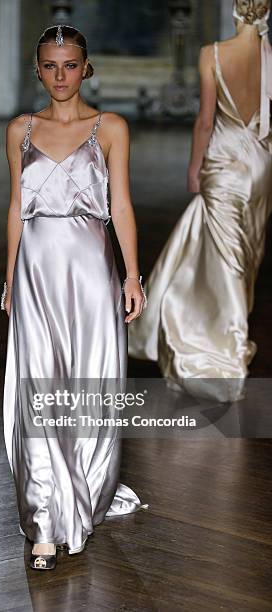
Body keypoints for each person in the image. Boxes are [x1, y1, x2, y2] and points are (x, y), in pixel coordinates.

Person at [2, 25, 148, 571]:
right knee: (39, 387)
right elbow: (16, 207)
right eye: (49, 65)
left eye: (69, 65)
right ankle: (44, 522)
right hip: (35, 272)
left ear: (85, 68)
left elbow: (124, 205)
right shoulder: (19, 129)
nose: (59, 76)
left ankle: (79, 500)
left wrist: (132, 276)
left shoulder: (110, 128)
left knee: (89, 385)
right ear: (36, 68)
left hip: (91, 272)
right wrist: (7, 279)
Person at [128, 0, 272, 403]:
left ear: (235, 11)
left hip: (224, 161)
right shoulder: (270, 57)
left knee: (227, 258)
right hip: (262, 164)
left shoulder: (212, 54)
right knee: (246, 255)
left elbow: (205, 121)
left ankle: (223, 357)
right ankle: (226, 335)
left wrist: (195, 167)